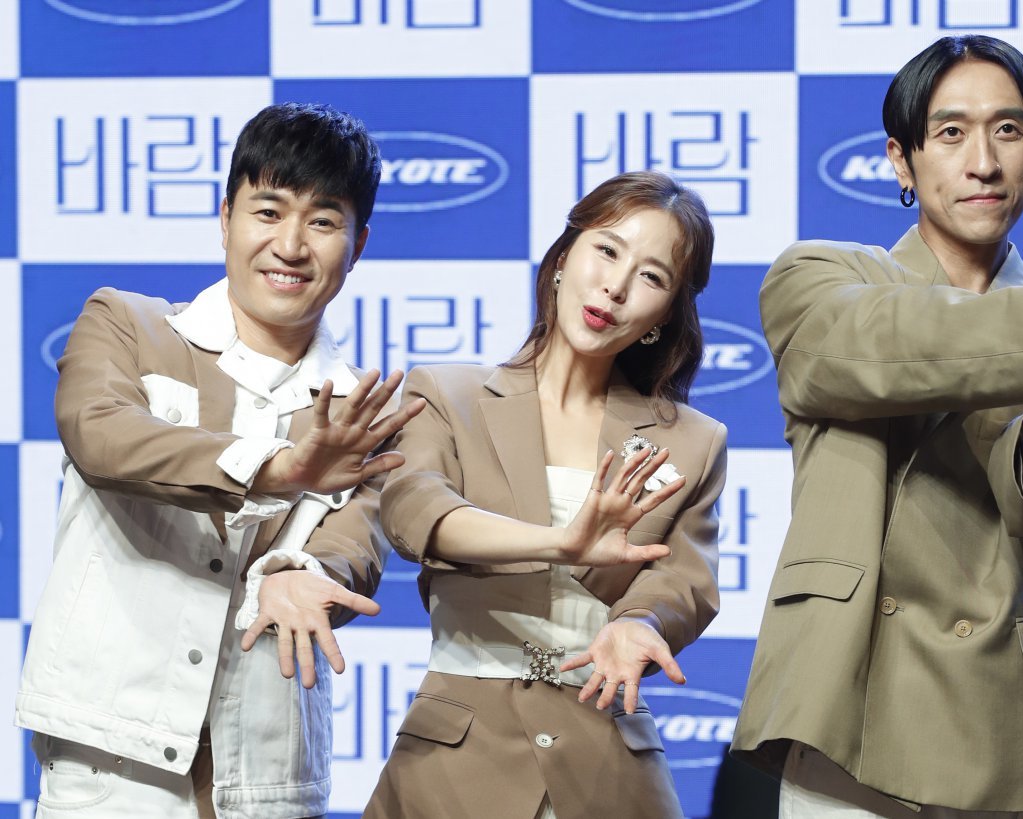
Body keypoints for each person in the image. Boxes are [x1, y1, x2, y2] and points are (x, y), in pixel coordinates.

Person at [732, 35, 1023, 819]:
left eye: (1009, 130)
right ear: (901, 161)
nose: (983, 162)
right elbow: (861, 350)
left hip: (1021, 721)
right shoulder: (821, 277)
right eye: (951, 132)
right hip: (852, 711)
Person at [16, 102, 424, 819]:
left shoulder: (362, 409)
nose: (290, 245)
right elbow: (101, 436)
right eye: (268, 212)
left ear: (358, 244)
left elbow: (352, 547)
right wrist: (279, 470)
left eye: (322, 221)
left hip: (267, 768)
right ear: (226, 215)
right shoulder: (127, 324)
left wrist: (306, 575)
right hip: (113, 757)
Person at [362, 170, 728, 819]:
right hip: (455, 763)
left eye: (651, 277)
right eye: (607, 250)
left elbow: (682, 582)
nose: (615, 286)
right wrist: (562, 542)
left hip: (608, 768)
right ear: (563, 258)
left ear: (665, 315)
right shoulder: (447, 394)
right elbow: (417, 511)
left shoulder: (693, 441)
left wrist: (638, 624)